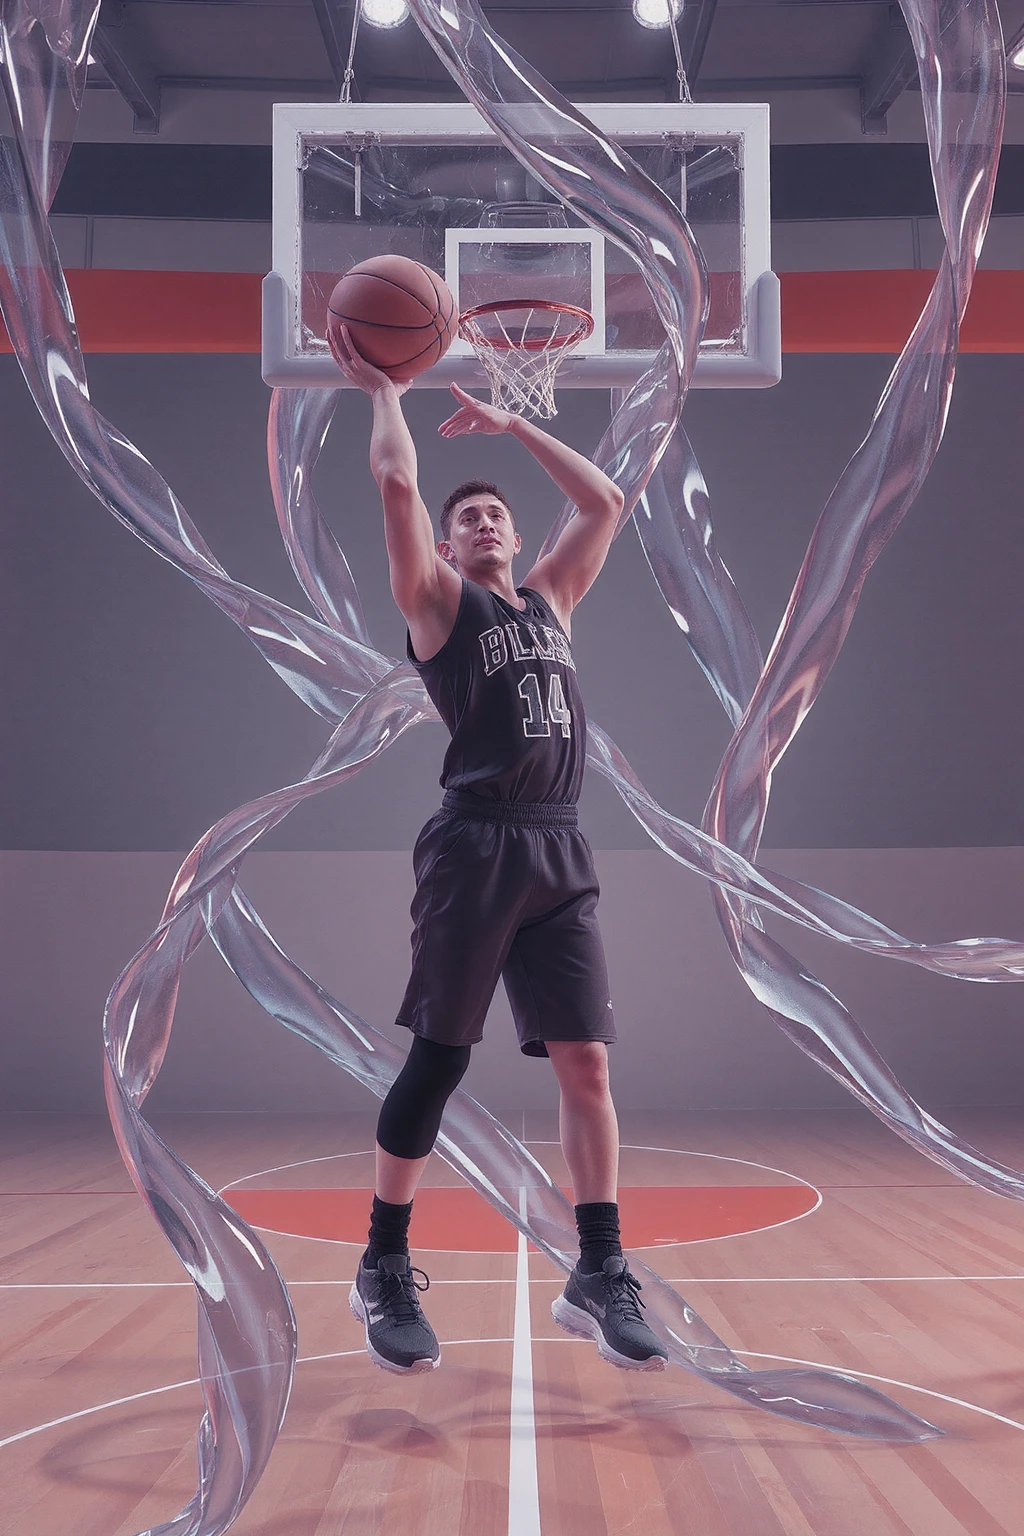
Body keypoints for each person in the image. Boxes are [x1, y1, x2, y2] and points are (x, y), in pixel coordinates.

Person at [330, 322, 668, 1377]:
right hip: (474, 846)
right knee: (439, 1059)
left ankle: (599, 1271)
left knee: (587, 1060)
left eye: (493, 514)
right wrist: (386, 392)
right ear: (448, 543)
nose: (480, 521)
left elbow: (605, 503)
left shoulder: (553, 599)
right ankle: (381, 1262)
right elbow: (394, 488)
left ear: (515, 539)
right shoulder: (438, 604)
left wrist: (514, 419)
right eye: (464, 514)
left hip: (559, 849)